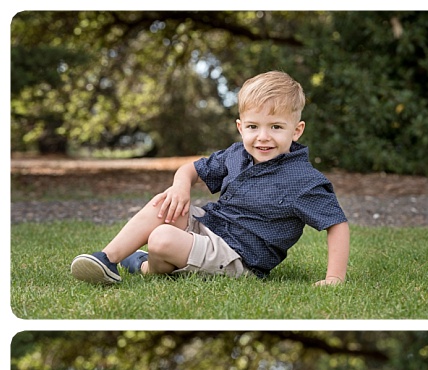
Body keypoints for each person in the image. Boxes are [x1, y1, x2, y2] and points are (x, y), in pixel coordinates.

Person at [70, 71, 349, 286]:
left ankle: (145, 265)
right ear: (240, 127)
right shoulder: (237, 153)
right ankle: (106, 259)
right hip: (212, 225)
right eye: (253, 126)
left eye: (276, 127)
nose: (263, 137)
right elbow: (190, 169)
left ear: (296, 130)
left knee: (162, 238)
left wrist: (334, 278)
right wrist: (180, 188)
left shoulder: (303, 179)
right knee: (163, 204)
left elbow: (336, 223)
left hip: (241, 257)